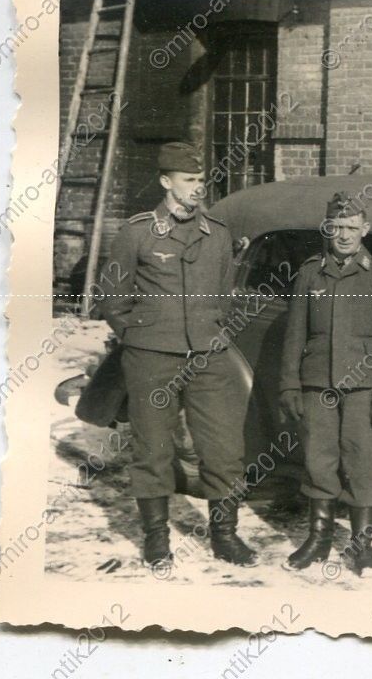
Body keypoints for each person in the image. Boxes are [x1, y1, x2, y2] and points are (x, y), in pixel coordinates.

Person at [98, 141, 257, 570]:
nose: (198, 187)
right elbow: (113, 298)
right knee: (152, 450)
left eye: (201, 179)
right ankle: (156, 540)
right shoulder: (137, 232)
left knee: (224, 449)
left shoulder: (217, 234)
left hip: (208, 357)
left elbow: (225, 295)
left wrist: (212, 335)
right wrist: (140, 339)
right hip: (152, 358)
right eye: (189, 180)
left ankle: (225, 537)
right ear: (166, 182)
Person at [279, 192, 372, 576]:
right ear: (327, 228)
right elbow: (294, 334)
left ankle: (362, 546)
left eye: (352, 227)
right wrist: (289, 384)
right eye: (336, 227)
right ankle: (318, 540)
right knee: (318, 460)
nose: (344, 235)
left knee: (363, 461)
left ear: (365, 229)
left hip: (364, 388)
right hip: (318, 384)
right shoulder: (311, 272)